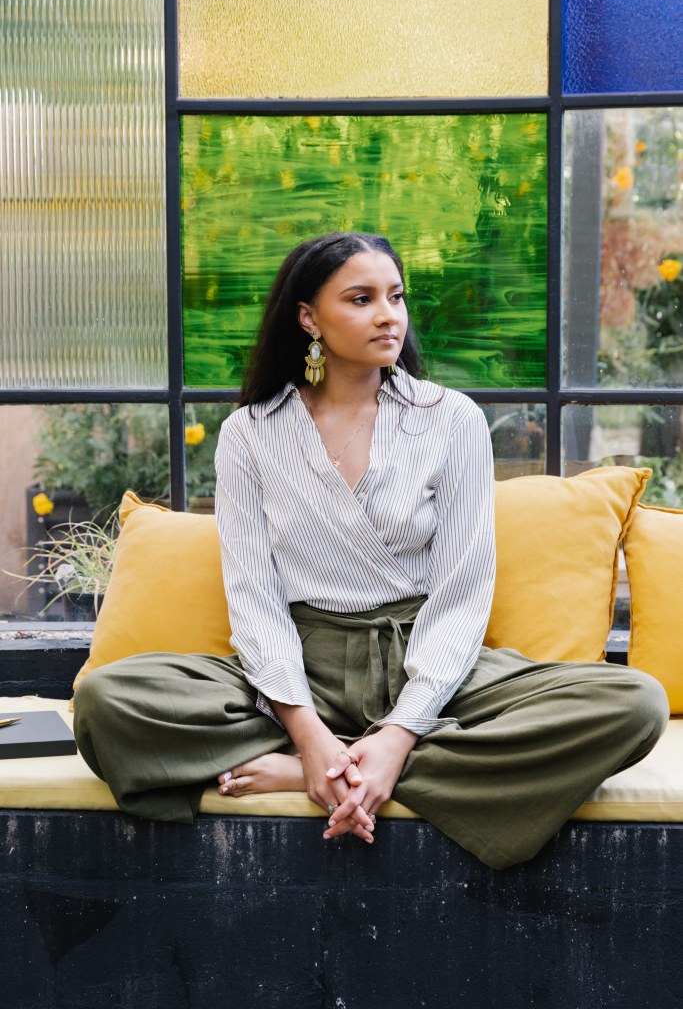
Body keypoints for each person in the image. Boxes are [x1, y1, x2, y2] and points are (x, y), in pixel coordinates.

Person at [73, 232, 669, 869]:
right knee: (106, 701)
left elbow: (463, 593)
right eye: (361, 299)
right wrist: (307, 734)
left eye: (396, 296)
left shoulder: (452, 420)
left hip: (429, 659)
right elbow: (253, 596)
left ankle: (345, 769)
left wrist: (400, 732)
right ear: (309, 318)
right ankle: (334, 760)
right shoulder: (250, 433)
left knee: (634, 705)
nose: (389, 315)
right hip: (297, 668)